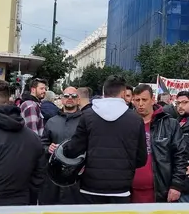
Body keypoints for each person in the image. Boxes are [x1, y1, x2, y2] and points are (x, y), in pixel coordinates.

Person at [62, 76, 146, 204]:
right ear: (123, 93)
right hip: (121, 188)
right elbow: (141, 158)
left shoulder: (88, 116)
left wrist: (63, 148)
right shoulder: (135, 119)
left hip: (90, 186)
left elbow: (73, 150)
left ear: (103, 92)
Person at [130, 84, 188, 203]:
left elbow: (180, 156)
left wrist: (176, 185)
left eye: (144, 100)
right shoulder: (126, 123)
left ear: (152, 100)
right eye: (137, 100)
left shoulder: (169, 124)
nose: (140, 104)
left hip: (160, 191)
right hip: (129, 192)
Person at [39, 87, 86, 204]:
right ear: (61, 99)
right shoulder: (52, 121)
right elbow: (43, 144)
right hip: (53, 178)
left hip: (77, 178)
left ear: (78, 100)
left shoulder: (85, 121)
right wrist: (48, 148)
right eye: (66, 96)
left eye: (73, 96)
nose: (70, 98)